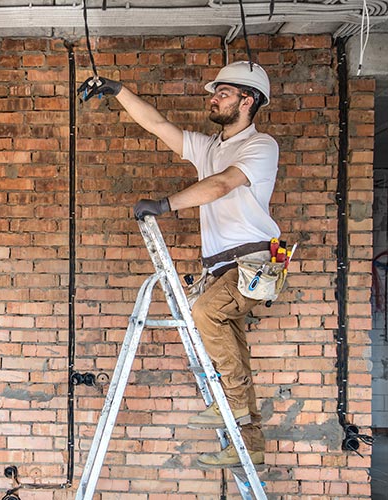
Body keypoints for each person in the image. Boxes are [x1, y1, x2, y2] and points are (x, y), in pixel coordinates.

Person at [79, 61, 280, 467]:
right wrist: (118, 90)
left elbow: (222, 184)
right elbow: (157, 125)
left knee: (205, 311)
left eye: (223, 93)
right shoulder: (211, 147)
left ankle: (233, 407)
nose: (213, 98)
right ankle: (250, 445)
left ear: (248, 99)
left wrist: (166, 204)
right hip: (222, 267)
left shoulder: (260, 146)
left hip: (255, 259)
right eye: (215, 92)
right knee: (233, 347)